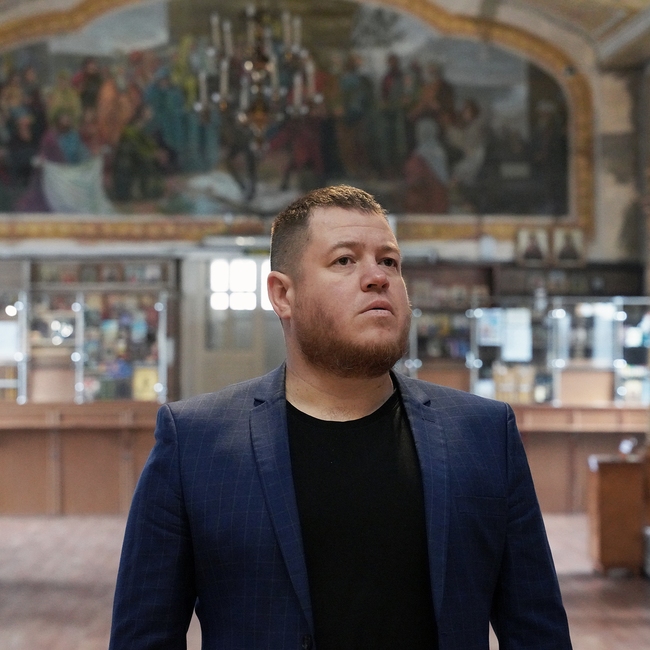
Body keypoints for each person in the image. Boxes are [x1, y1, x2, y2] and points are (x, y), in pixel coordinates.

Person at [109, 185, 572, 649]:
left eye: (389, 261)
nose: (377, 277)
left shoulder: (483, 434)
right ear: (283, 294)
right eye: (344, 260)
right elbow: (144, 637)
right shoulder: (195, 443)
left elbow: (537, 632)